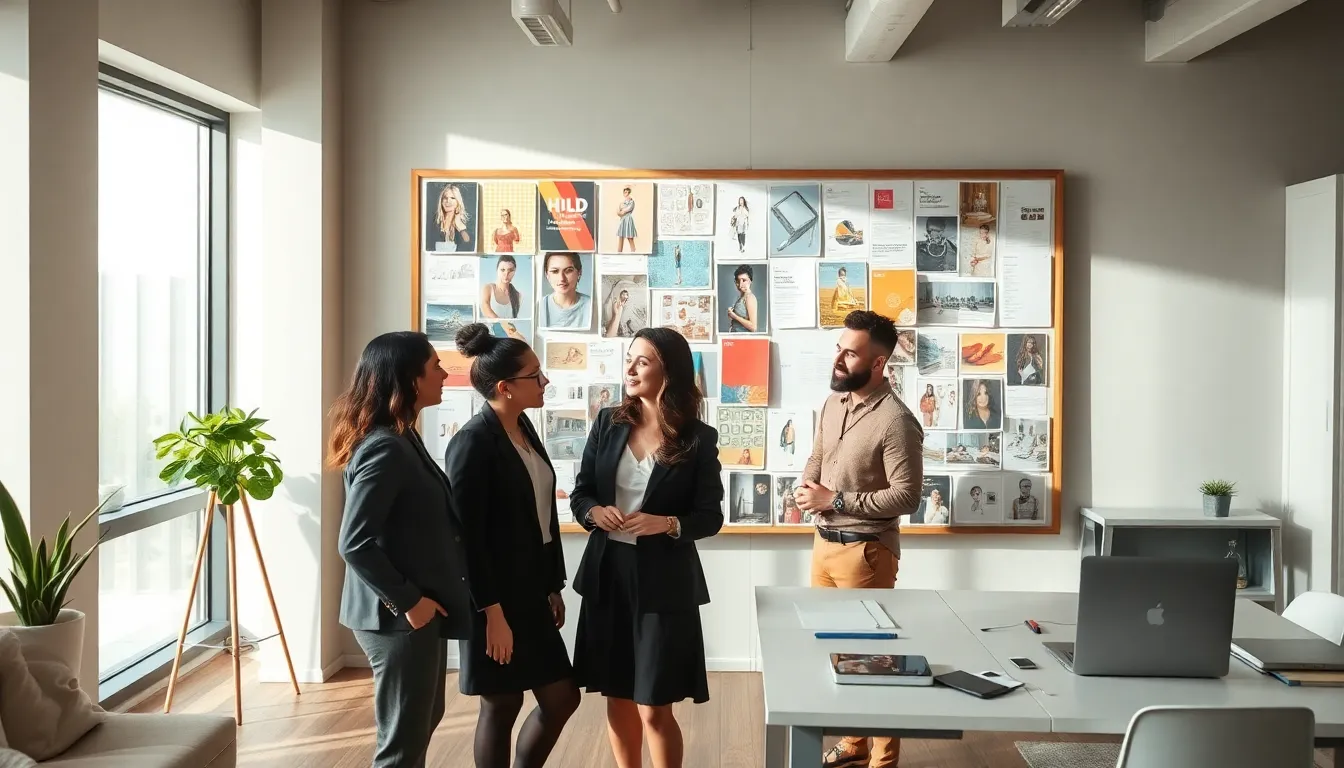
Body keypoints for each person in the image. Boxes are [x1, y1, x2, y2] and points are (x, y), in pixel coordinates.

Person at [569, 327, 724, 768]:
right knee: (616, 697)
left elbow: (710, 517)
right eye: (629, 359)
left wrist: (668, 523)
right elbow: (581, 493)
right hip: (608, 575)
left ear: (669, 370)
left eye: (644, 360)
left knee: (655, 705)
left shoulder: (698, 437)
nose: (631, 368)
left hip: (664, 582)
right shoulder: (608, 422)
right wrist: (594, 514)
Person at [329, 331, 471, 768]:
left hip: (410, 616)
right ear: (410, 379)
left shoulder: (402, 436)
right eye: (434, 367)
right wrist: (410, 602)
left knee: (423, 720)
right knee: (402, 744)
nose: (444, 373)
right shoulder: (386, 447)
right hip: (395, 618)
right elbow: (354, 542)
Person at [442, 323, 580, 768]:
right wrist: (492, 614)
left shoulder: (522, 427)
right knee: (500, 706)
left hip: (532, 589)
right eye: (536, 376)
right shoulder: (472, 443)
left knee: (562, 698)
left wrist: (551, 585)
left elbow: (539, 519)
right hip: (493, 598)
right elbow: (468, 539)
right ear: (504, 387)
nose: (545, 382)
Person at [792, 310, 924, 768]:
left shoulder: (896, 421)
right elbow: (818, 456)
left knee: (875, 659)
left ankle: (883, 760)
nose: (840, 358)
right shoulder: (835, 403)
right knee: (836, 652)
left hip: (866, 552)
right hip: (824, 545)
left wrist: (838, 500)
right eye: (840, 348)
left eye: (851, 352)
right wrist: (808, 487)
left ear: (880, 361)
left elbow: (907, 496)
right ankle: (854, 742)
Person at [538, 252, 592, 329]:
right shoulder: (539, 306)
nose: (561, 278)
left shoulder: (591, 305)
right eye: (555, 271)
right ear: (547, 275)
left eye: (568, 270)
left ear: (579, 273)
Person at [480, 254, 522, 319]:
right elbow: (485, 308)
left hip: (509, 329)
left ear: (514, 272)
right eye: (502, 270)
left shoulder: (517, 295)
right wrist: (501, 323)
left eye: (510, 270)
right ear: (497, 270)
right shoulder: (488, 288)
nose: (506, 274)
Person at [725, 264, 759, 333]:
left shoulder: (750, 298)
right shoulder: (741, 297)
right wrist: (731, 314)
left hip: (743, 340)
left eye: (744, 280)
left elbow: (753, 327)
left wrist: (735, 316)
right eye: (738, 281)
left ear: (750, 281)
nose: (740, 285)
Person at [615, 186, 638, 252]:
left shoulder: (631, 202)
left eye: (627, 192)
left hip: (628, 219)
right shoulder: (622, 202)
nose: (626, 193)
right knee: (621, 236)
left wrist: (622, 211)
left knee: (630, 237)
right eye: (625, 192)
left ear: (629, 193)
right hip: (623, 220)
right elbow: (618, 211)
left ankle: (633, 251)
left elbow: (627, 209)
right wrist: (620, 212)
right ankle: (619, 252)